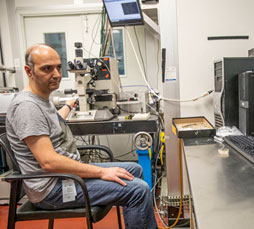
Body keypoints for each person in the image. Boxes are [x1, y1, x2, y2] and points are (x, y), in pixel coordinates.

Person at [6, 44, 157, 229]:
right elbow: (49, 162)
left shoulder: (41, 100)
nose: (56, 74)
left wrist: (69, 106)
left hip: (64, 176)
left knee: (133, 170)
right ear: (29, 71)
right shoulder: (27, 107)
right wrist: (102, 172)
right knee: (138, 190)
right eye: (47, 69)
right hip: (52, 189)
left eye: (58, 67)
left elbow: (51, 124)